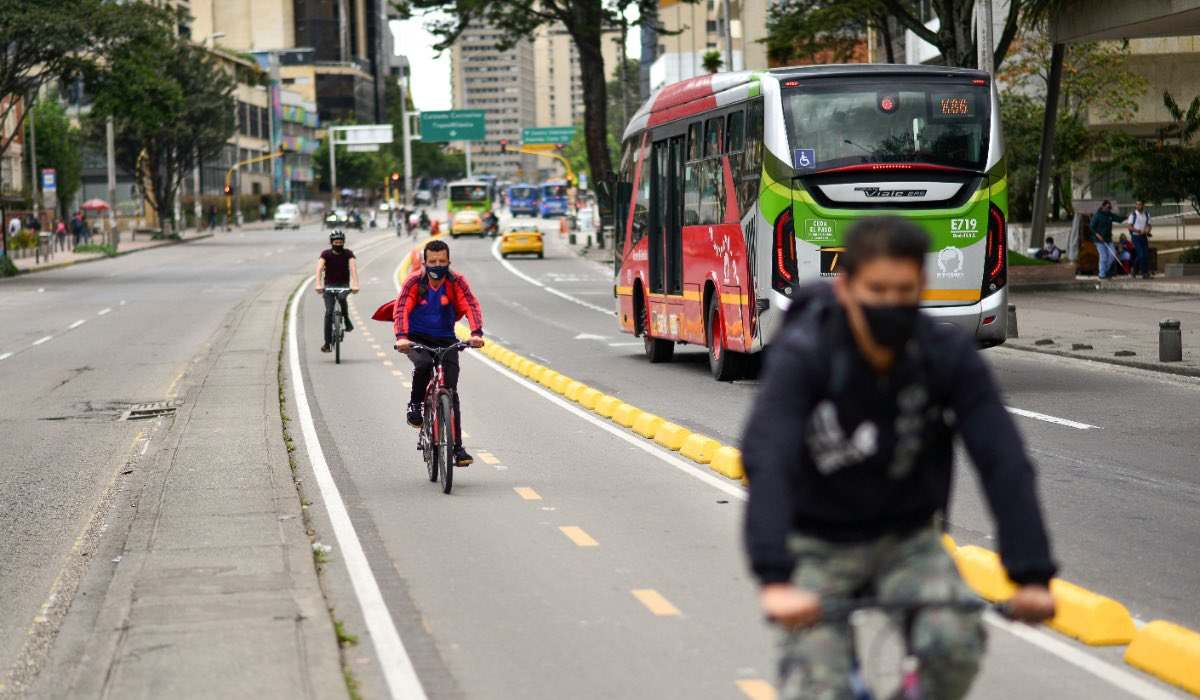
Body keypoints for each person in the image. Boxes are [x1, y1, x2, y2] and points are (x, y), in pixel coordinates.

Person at [741, 217, 1057, 700]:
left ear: (922, 287)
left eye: (904, 290)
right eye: (877, 290)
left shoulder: (943, 353)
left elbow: (1002, 456)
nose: (890, 304)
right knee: (818, 686)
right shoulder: (806, 352)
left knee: (954, 647)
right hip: (816, 541)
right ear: (846, 287)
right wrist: (775, 576)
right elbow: (769, 452)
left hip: (909, 539)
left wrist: (1030, 572)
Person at [393, 239, 485, 467]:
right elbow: (402, 307)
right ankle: (415, 404)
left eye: (442, 261)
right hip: (416, 338)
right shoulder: (415, 281)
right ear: (425, 262)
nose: (437, 265)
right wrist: (402, 337)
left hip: (446, 339)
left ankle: (457, 449)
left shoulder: (456, 281)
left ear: (448, 261)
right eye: (432, 261)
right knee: (423, 364)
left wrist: (476, 333)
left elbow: (470, 305)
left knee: (451, 393)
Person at [314, 230, 360, 353]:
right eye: (336, 242)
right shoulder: (325, 254)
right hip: (329, 286)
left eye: (340, 242)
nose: (338, 244)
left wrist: (355, 284)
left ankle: (346, 318)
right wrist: (318, 284)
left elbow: (353, 268)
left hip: (343, 285)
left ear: (344, 242)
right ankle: (327, 343)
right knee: (329, 312)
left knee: (341, 298)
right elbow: (319, 269)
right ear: (331, 242)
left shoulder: (348, 254)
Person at [1089, 200, 1122, 279]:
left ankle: (1105, 270)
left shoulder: (1109, 215)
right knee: (1103, 257)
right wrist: (1097, 235)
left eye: (1110, 208)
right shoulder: (1097, 216)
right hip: (1099, 240)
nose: (1109, 209)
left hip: (1108, 239)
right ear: (1103, 206)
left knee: (1112, 255)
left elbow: (1118, 219)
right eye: (1107, 207)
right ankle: (1102, 274)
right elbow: (1091, 227)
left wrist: (1128, 217)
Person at [1126, 200, 1153, 279]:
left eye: (1140, 204)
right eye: (1137, 204)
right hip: (1136, 237)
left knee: (1144, 255)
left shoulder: (1146, 214)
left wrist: (1147, 230)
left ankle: (1134, 270)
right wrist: (1137, 230)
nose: (1138, 206)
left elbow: (1149, 225)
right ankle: (1144, 273)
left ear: (1143, 205)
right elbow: (1129, 226)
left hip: (1144, 236)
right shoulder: (1133, 215)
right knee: (1141, 255)